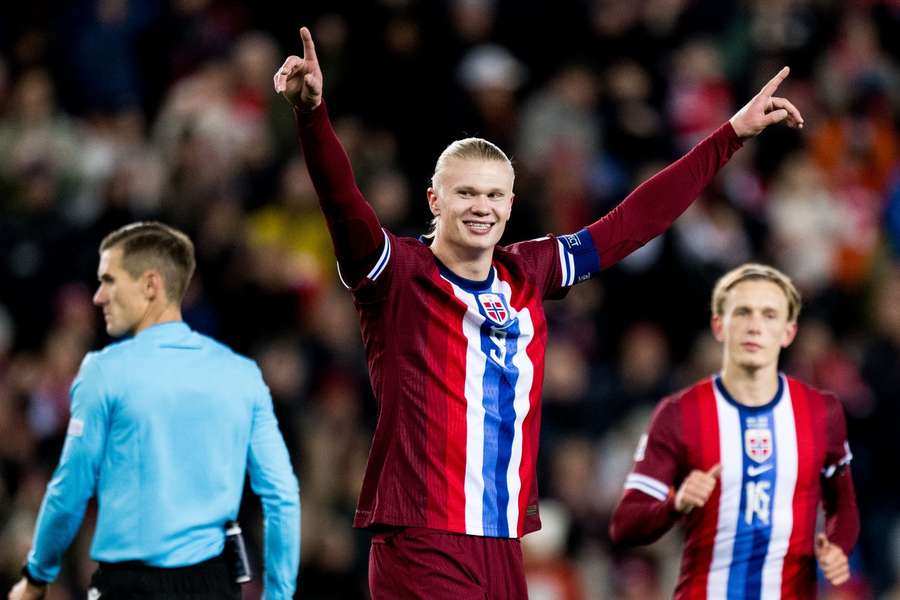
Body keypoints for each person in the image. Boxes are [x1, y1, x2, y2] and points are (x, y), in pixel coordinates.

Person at [274, 26, 803, 598]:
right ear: (435, 200)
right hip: (421, 538)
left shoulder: (530, 270)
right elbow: (343, 203)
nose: (481, 207)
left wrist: (729, 136)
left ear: (510, 204)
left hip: (503, 543)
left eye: (494, 195)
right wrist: (313, 115)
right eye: (466, 193)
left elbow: (632, 224)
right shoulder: (397, 274)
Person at [8, 222, 300, 600]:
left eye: (111, 281)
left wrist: (35, 578)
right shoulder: (241, 375)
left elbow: (68, 492)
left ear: (150, 285)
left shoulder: (104, 372)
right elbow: (281, 494)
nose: (99, 297)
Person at [609, 263, 859, 598]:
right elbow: (625, 524)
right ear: (719, 326)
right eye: (743, 312)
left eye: (769, 315)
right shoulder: (679, 414)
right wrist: (675, 504)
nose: (755, 326)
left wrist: (838, 547)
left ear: (789, 331)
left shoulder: (821, 412)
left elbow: (842, 505)